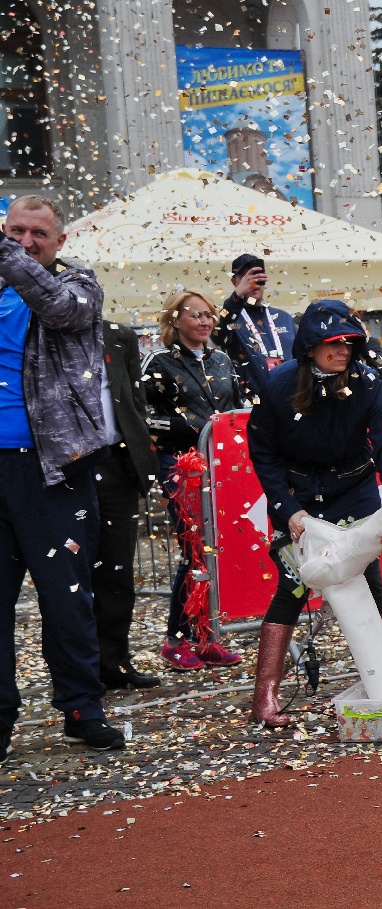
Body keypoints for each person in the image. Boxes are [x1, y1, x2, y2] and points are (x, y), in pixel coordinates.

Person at [245, 299, 382, 726]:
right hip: (298, 494)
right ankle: (265, 694)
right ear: (310, 346)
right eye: (333, 344)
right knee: (293, 584)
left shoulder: (366, 382)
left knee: (369, 579)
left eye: (349, 344)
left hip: (355, 489)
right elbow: (263, 453)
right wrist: (289, 510)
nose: (343, 352)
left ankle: (380, 683)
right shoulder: (278, 385)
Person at [0, 194, 124, 757]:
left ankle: (81, 708)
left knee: (66, 598)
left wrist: (7, 255)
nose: (26, 243)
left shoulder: (78, 285)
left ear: (60, 242)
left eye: (38, 235)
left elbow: (59, 310)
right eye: (16, 232)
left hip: (54, 470)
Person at [143, 289, 245, 671]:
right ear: (176, 319)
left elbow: (236, 406)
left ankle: (206, 637)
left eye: (209, 315)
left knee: (216, 551)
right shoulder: (159, 362)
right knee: (196, 553)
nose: (205, 321)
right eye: (196, 315)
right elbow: (143, 416)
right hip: (180, 467)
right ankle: (176, 640)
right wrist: (191, 428)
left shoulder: (222, 359)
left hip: (221, 465)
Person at [91, 320, 161, 689]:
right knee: (70, 576)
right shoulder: (41, 329)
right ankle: (79, 672)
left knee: (116, 571)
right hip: (64, 468)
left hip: (116, 463)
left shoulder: (118, 336)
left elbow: (135, 399)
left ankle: (113, 662)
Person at [213, 253, 297, 404]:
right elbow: (217, 335)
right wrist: (237, 296)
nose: (253, 282)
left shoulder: (283, 317)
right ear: (234, 282)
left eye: (257, 276)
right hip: (252, 406)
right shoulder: (230, 317)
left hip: (289, 402)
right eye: (246, 277)